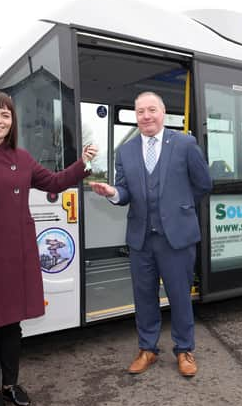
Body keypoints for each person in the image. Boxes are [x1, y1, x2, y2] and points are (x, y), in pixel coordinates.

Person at [0, 91, 97, 406]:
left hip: (18, 254)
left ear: (12, 121)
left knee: (11, 325)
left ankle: (10, 385)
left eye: (5, 115)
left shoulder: (22, 157)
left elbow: (56, 183)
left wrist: (83, 163)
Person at [89, 91, 212, 377]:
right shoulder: (126, 151)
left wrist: (179, 206)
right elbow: (125, 191)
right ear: (136, 115)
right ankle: (147, 349)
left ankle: (184, 350)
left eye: (151, 110)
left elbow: (203, 184)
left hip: (176, 238)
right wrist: (112, 193)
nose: (146, 116)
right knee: (143, 296)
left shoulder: (185, 143)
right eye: (141, 111)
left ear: (163, 112)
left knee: (180, 296)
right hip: (141, 239)